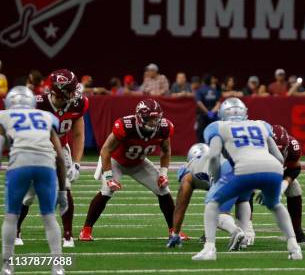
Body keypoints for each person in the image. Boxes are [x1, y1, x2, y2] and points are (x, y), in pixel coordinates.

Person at [193, 98, 302, 261]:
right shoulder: (261, 124)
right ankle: (294, 247)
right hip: (273, 167)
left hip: (243, 168)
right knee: (275, 205)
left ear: (222, 114)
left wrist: (215, 175)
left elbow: (214, 155)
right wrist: (272, 181)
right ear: (245, 113)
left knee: (212, 202)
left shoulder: (217, 127)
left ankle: (209, 248)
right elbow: (279, 157)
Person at [79, 99, 187, 241]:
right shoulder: (126, 126)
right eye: (150, 119)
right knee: (107, 191)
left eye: (156, 118)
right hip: (115, 161)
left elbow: (166, 151)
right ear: (140, 117)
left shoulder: (165, 127)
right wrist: (109, 177)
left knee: (163, 191)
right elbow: (106, 150)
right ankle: (86, 230)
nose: (154, 122)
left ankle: (174, 230)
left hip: (138, 162)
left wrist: (163, 174)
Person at [16, 70, 88, 248]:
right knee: (28, 195)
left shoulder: (77, 104)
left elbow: (78, 134)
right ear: (57, 91)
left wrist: (77, 163)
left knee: (65, 189)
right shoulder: (36, 104)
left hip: (61, 149)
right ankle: (16, 230)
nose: (75, 94)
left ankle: (68, 235)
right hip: (36, 148)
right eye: (70, 90)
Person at [0, 86, 68, 275]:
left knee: (12, 216)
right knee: (49, 217)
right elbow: (60, 157)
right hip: (46, 166)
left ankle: (7, 265)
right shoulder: (46, 116)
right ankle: (58, 266)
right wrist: (63, 192)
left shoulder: (4, 116)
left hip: (19, 164)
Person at [167, 144, 244, 249]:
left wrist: (175, 232)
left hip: (224, 174)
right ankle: (247, 235)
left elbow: (181, 203)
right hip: (240, 169)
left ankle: (235, 231)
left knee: (213, 212)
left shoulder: (188, 168)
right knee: (242, 201)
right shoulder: (214, 156)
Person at [254, 125, 305, 243]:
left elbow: (295, 168)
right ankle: (246, 230)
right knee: (245, 191)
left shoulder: (293, 147)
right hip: (253, 171)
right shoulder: (254, 145)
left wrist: (283, 185)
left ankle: (297, 233)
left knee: (294, 188)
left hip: (275, 173)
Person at [195, 74, 221, 143]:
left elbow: (199, 103)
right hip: (212, 115)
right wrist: (212, 112)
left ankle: (202, 147)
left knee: (201, 133)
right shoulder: (214, 90)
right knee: (213, 133)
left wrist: (207, 112)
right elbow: (218, 103)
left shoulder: (200, 90)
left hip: (204, 114)